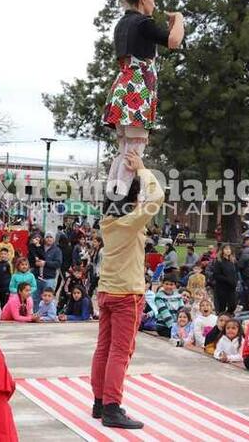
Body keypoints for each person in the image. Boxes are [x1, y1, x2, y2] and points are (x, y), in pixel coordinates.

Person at [91, 150, 164, 430]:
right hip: (127, 294)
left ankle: (99, 402)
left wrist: (122, 170)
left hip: (107, 290)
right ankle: (112, 407)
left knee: (103, 349)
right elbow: (156, 198)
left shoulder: (108, 221)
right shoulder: (131, 221)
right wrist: (143, 170)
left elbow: (135, 199)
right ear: (133, 199)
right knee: (121, 352)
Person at [102, 0, 184, 198]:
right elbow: (174, 41)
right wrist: (179, 19)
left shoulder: (122, 24)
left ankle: (112, 200)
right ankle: (124, 203)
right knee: (134, 153)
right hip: (137, 91)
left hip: (122, 87)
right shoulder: (142, 22)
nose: (155, 3)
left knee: (123, 151)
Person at [35, 233, 62, 308]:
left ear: (53, 239)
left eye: (51, 237)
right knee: (36, 299)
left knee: (48, 299)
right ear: (44, 238)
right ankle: (36, 315)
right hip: (37, 278)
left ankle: (48, 316)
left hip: (49, 279)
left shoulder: (57, 250)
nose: (49, 239)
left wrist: (45, 263)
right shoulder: (39, 248)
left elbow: (58, 263)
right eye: (47, 237)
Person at [212, 244, 238, 314]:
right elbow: (216, 275)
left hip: (231, 287)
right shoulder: (219, 261)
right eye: (226, 249)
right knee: (222, 306)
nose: (228, 251)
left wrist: (235, 280)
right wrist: (227, 279)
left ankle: (229, 315)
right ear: (222, 251)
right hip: (222, 287)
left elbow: (235, 272)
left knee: (233, 304)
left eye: (229, 249)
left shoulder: (232, 261)